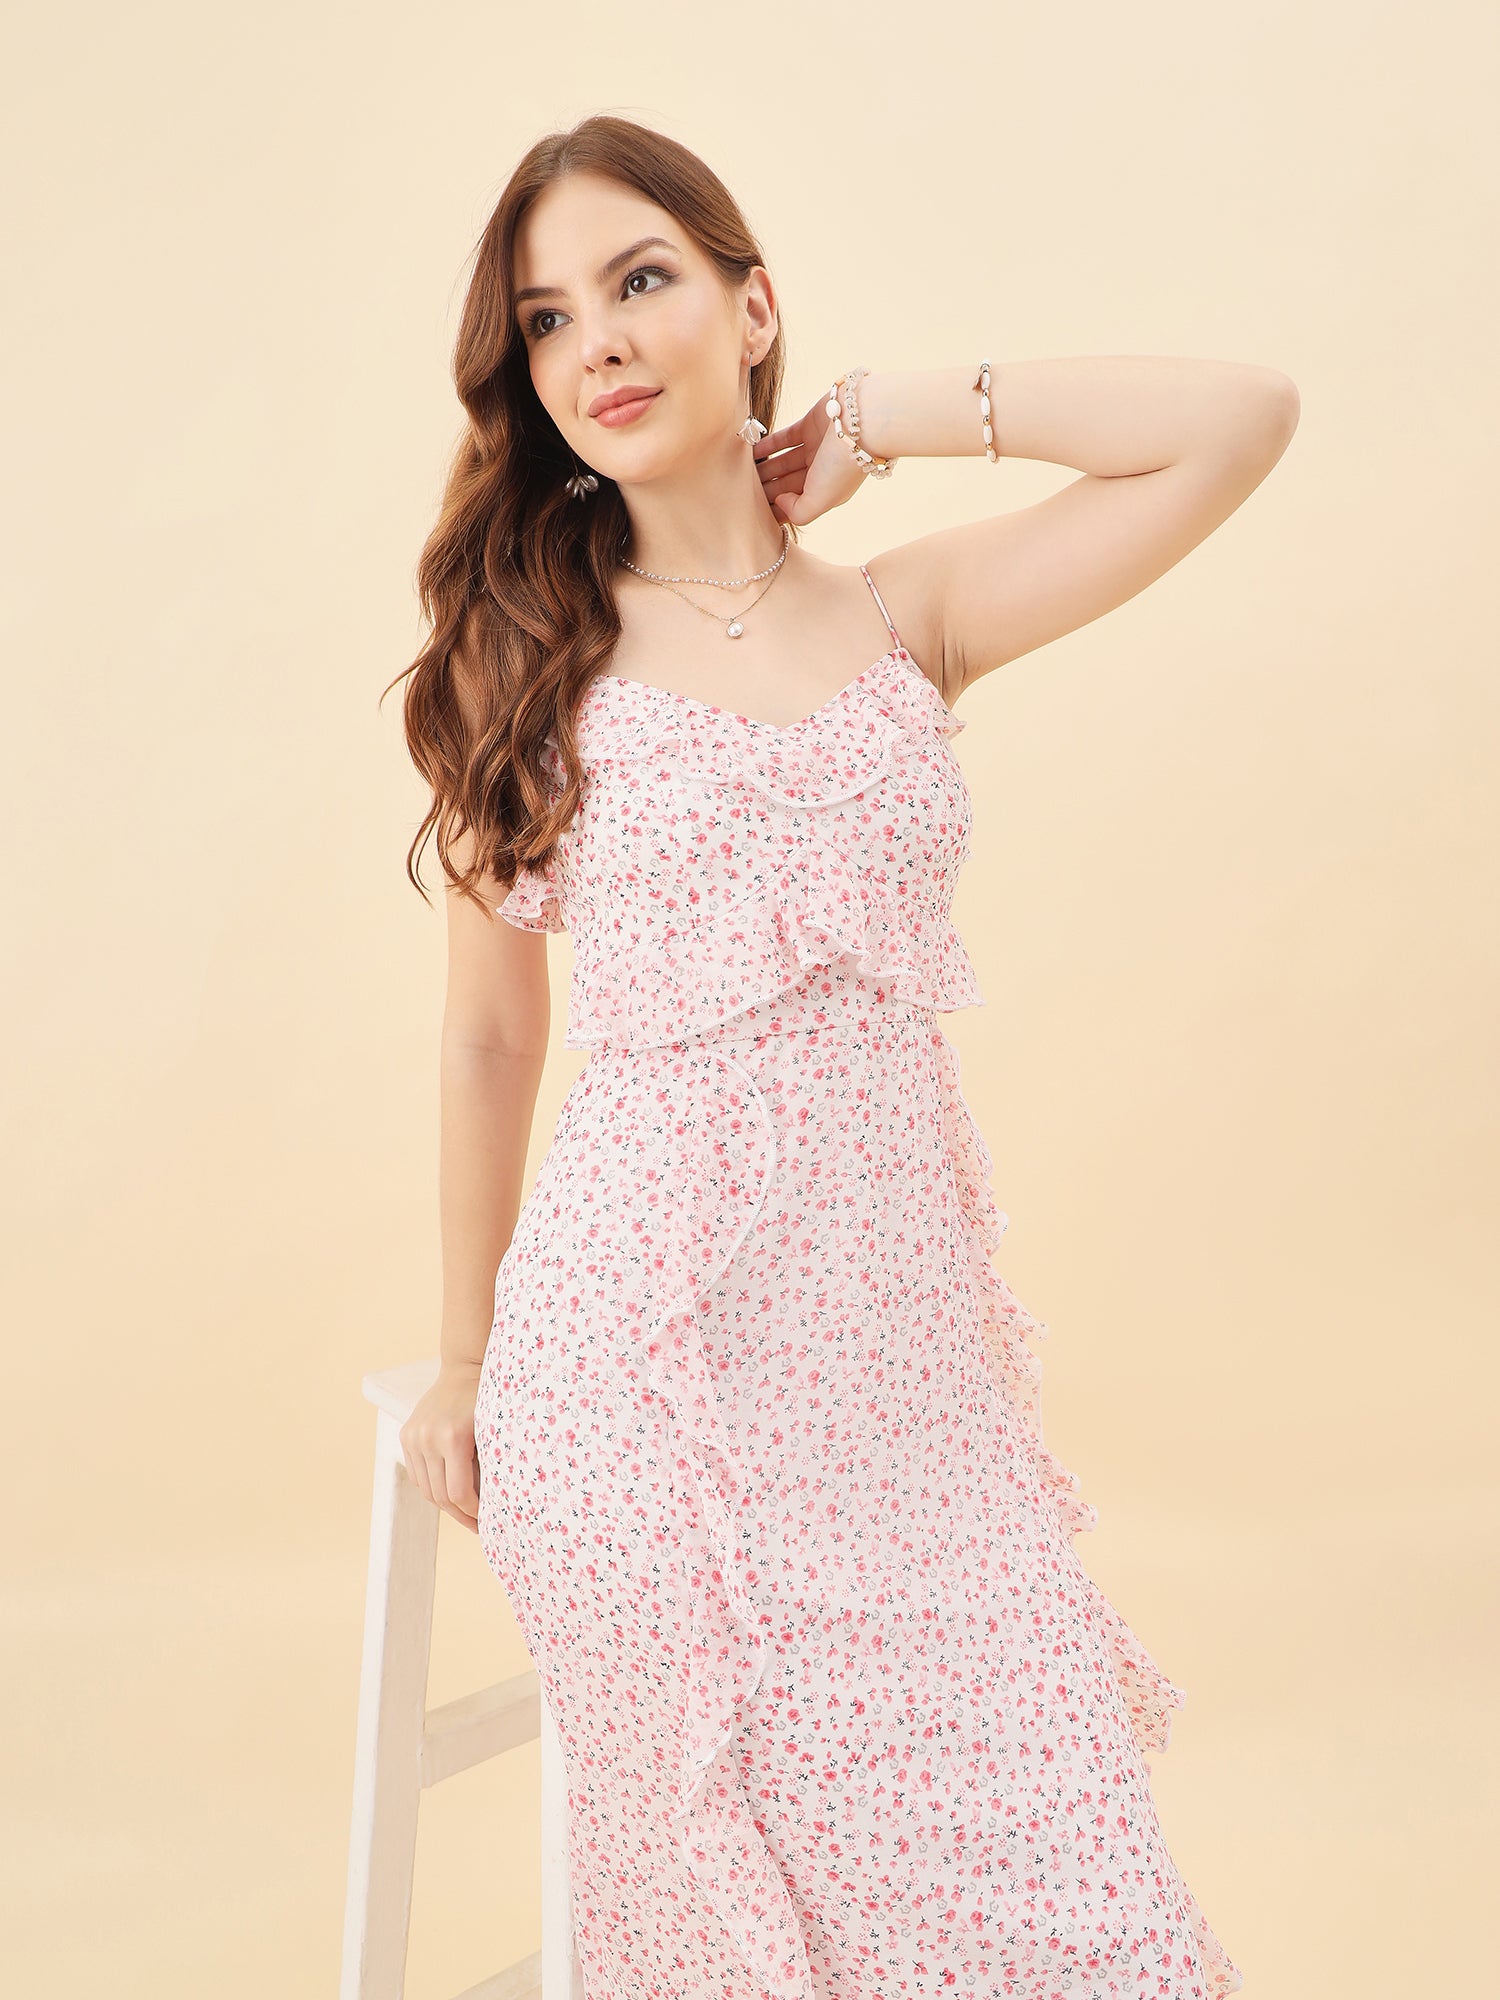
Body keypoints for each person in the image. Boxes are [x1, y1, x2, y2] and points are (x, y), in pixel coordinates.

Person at [389, 111, 1295, 2000]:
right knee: (753, 1881)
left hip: (907, 1383)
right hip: (634, 1381)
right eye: (549, 323)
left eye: (642, 282)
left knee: (1078, 1890)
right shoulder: (526, 654)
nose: (601, 348)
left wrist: (883, 415)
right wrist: (469, 1361)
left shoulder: (909, 617)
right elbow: (490, 1038)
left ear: (752, 304)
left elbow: (1238, 416)